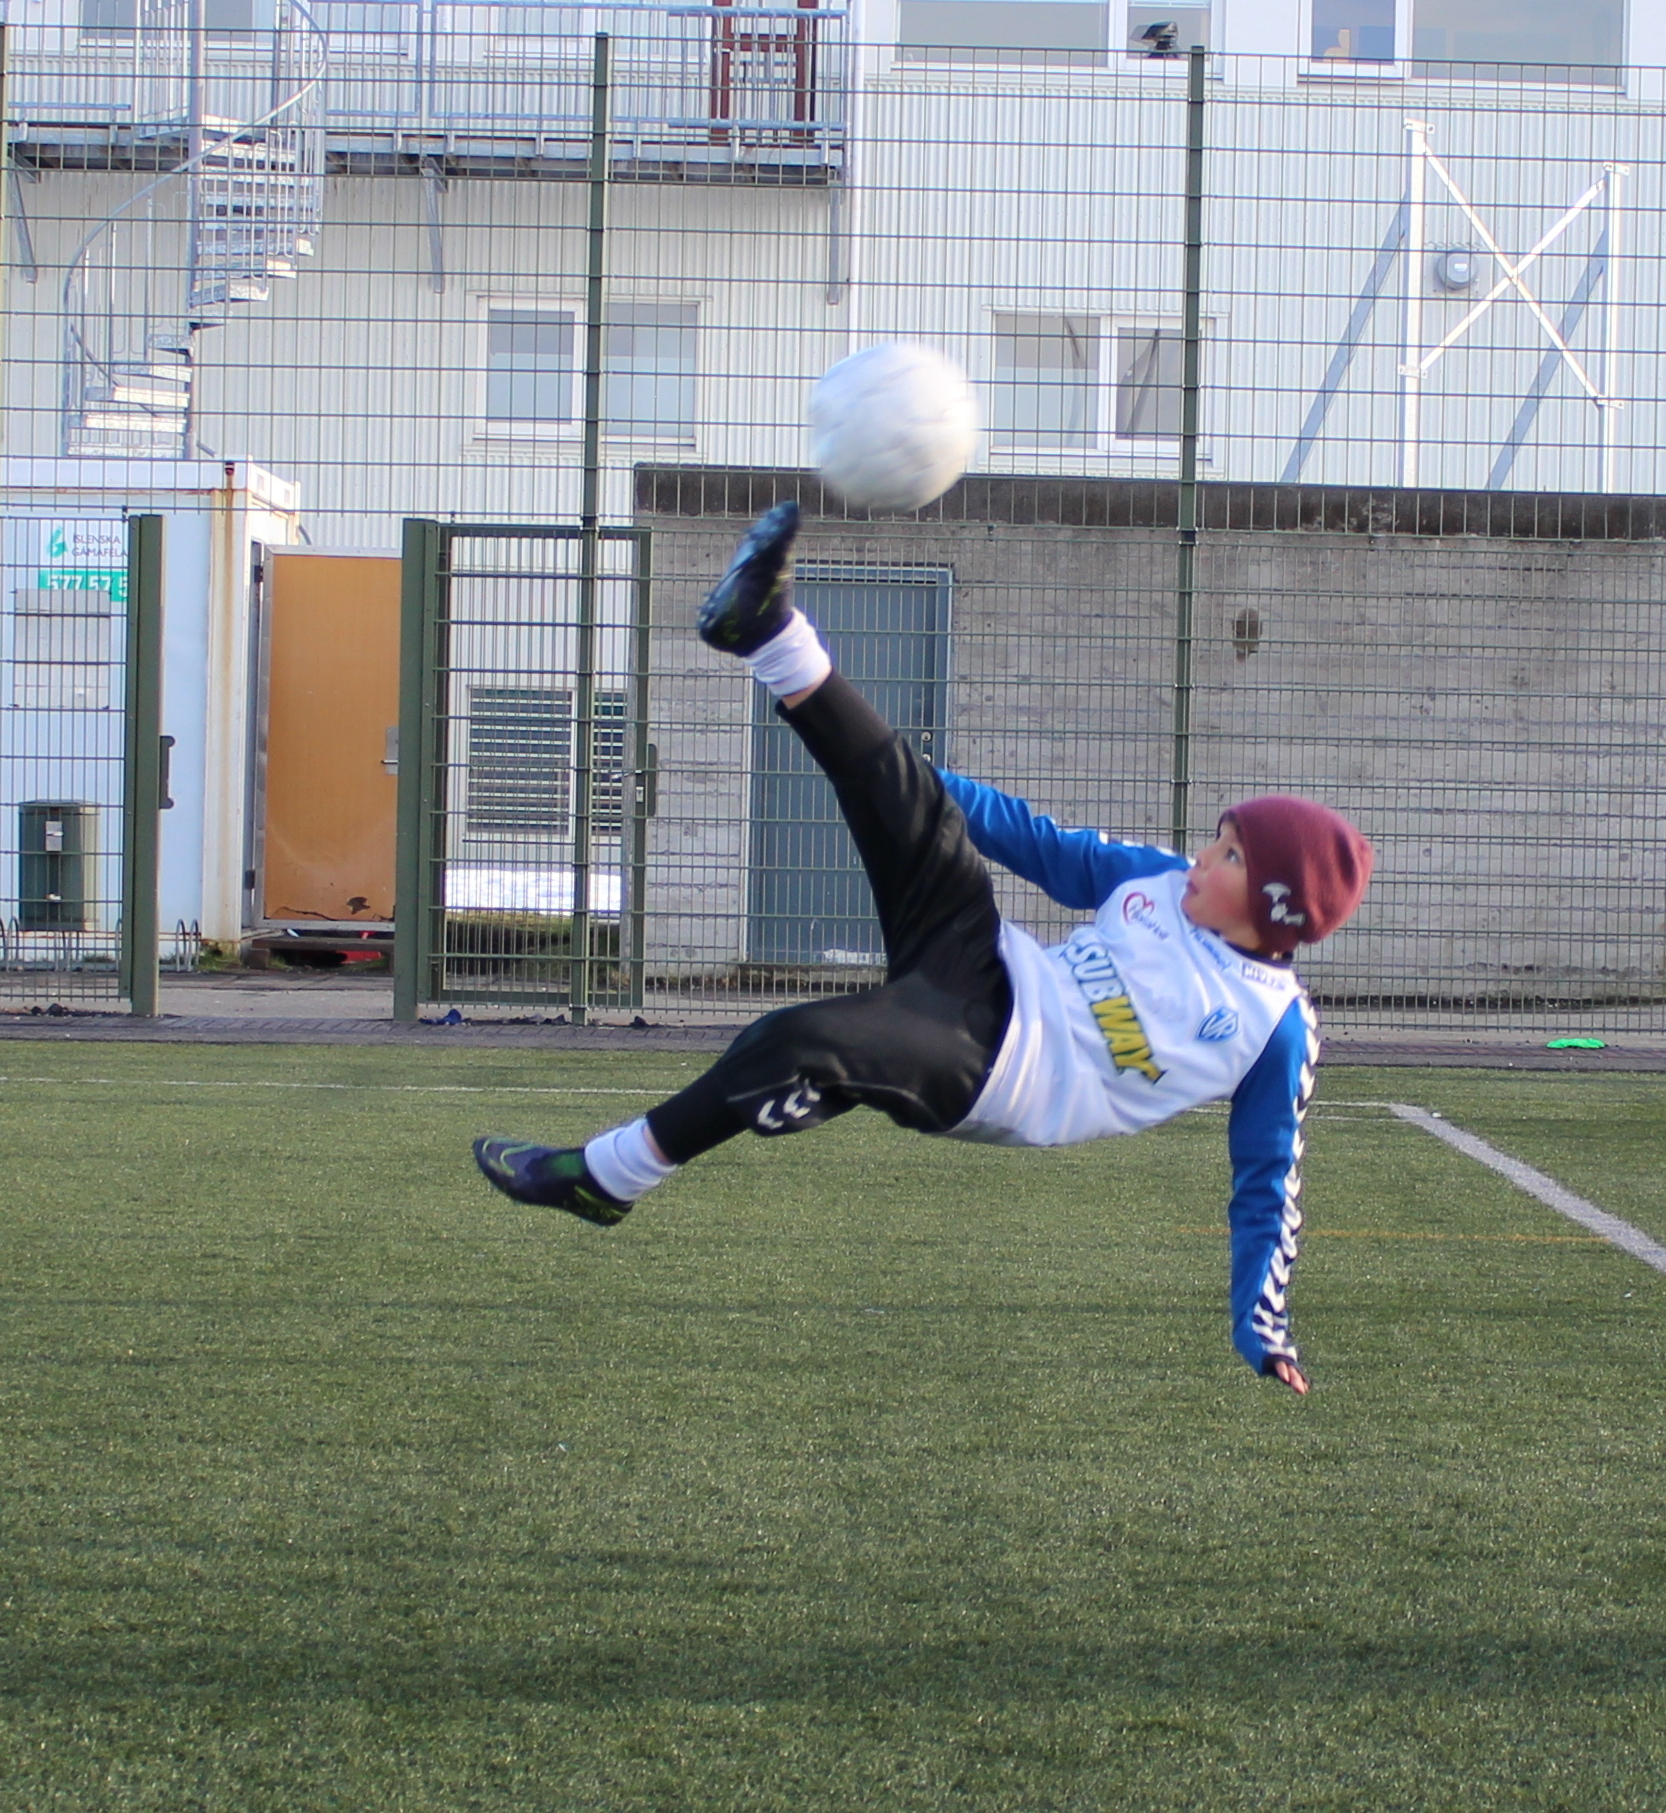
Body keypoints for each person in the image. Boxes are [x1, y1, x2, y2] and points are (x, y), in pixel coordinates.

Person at [471, 503, 1372, 1394]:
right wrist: (892, 773)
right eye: (1217, 839)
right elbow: (1038, 842)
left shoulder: (1273, 1026)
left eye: (1230, 857)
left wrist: (1261, 1323)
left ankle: (605, 1177)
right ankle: (768, 631)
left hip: (997, 1071)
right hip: (982, 961)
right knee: (913, 803)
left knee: (797, 1039)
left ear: (1274, 910)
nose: (1203, 857)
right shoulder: (1162, 879)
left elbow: (1269, 1181)